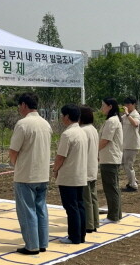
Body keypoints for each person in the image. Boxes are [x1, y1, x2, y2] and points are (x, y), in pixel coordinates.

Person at [9, 92, 52, 255]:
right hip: (42, 173)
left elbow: (13, 151)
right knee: (41, 209)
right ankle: (42, 243)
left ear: (24, 105)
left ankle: (32, 245)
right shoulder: (45, 123)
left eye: (20, 105)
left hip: (26, 174)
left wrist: (15, 165)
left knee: (27, 211)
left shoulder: (23, 124)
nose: (19, 109)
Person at [53, 104, 88, 244]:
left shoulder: (67, 134)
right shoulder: (82, 132)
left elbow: (60, 156)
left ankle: (74, 237)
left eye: (62, 115)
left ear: (67, 116)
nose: (62, 118)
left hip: (68, 176)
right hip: (80, 174)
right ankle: (81, 235)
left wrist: (55, 170)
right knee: (79, 205)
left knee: (71, 207)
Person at [98, 97, 123, 223]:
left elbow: (105, 140)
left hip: (110, 158)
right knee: (113, 187)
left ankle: (113, 216)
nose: (102, 108)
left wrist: (94, 151)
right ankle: (116, 214)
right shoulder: (111, 120)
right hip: (109, 158)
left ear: (110, 107)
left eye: (103, 105)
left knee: (110, 187)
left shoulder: (112, 121)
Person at [79, 105, 100, 233]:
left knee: (86, 199)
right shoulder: (93, 129)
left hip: (85, 169)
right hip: (92, 167)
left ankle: (89, 224)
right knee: (93, 197)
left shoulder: (83, 131)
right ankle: (95, 222)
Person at [121, 96, 140, 192]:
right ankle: (134, 180)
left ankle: (133, 185)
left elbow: (135, 124)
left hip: (132, 144)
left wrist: (127, 114)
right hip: (125, 144)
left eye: (128, 104)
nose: (126, 106)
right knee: (124, 164)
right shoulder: (125, 116)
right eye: (125, 104)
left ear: (134, 104)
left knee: (128, 165)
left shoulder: (135, 114)